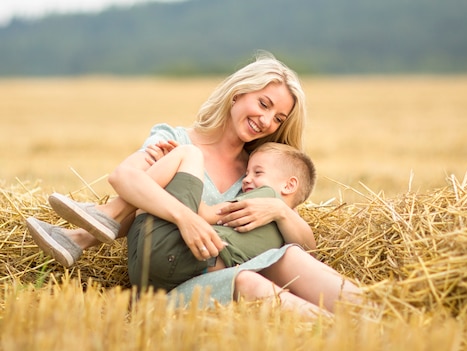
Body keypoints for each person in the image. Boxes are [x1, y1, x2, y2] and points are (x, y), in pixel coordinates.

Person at [26, 51, 361, 314]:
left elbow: (304, 247)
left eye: (278, 118)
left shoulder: (259, 173)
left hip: (217, 270)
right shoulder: (175, 141)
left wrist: (279, 209)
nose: (266, 121)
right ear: (237, 94)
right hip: (167, 271)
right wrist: (185, 218)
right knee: (185, 162)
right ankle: (92, 228)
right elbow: (124, 178)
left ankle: (374, 320)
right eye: (263, 104)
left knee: (283, 262)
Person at [127, 141, 316, 293]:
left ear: (289, 185)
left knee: (188, 153)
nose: (247, 179)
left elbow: (205, 214)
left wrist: (178, 172)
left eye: (258, 172)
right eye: (247, 173)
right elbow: (310, 253)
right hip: (166, 271)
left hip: (166, 257)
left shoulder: (268, 195)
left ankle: (115, 207)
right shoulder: (282, 231)